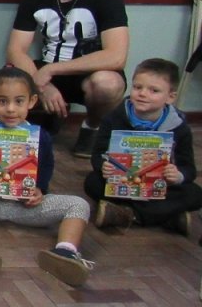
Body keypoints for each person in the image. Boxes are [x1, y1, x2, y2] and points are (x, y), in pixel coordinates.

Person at [0, 66, 93, 287]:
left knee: (79, 204)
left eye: (18, 101)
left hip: (27, 207)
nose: (10, 109)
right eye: (2, 101)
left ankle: (65, 252)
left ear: (32, 101)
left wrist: (40, 189)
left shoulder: (41, 136)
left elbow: (46, 164)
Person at [6, 0, 128, 157]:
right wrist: (41, 83)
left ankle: (92, 127)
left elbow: (116, 56)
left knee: (108, 83)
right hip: (47, 68)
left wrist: (50, 71)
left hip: (87, 72)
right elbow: (16, 50)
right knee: (7, 77)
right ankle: (48, 117)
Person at [86, 58, 202, 235]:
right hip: (123, 184)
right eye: (138, 87)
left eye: (154, 90)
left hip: (161, 187)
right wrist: (104, 166)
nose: (142, 94)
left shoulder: (179, 127)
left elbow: (189, 169)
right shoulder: (113, 118)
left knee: (195, 194)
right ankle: (168, 216)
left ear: (170, 97)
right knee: (92, 182)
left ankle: (128, 214)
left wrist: (178, 175)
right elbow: (98, 153)